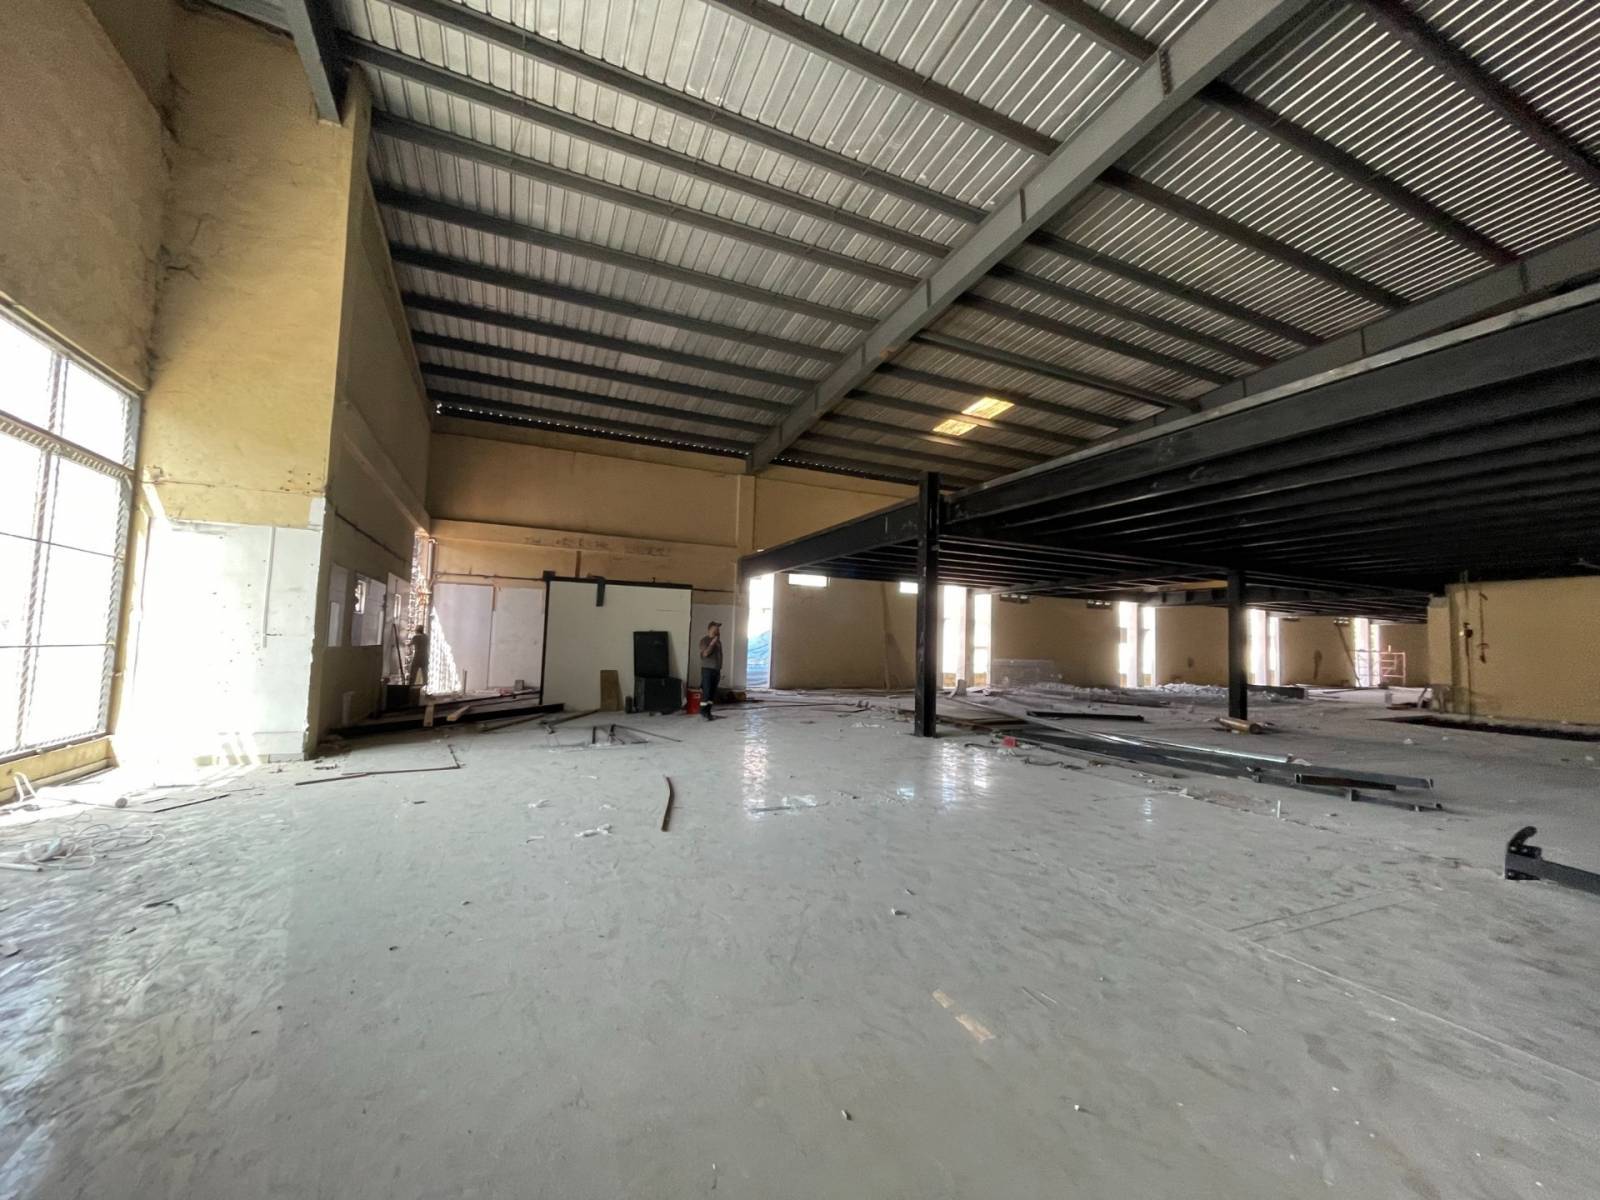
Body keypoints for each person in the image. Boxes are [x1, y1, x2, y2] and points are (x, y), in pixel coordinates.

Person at [697, 620, 723, 721]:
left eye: (718, 629)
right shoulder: (704, 640)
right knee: (707, 692)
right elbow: (705, 654)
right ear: (710, 629)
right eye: (715, 629)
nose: (717, 631)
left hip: (716, 670)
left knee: (712, 693)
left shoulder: (719, 642)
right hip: (707, 670)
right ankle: (703, 712)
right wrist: (713, 643)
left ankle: (708, 712)